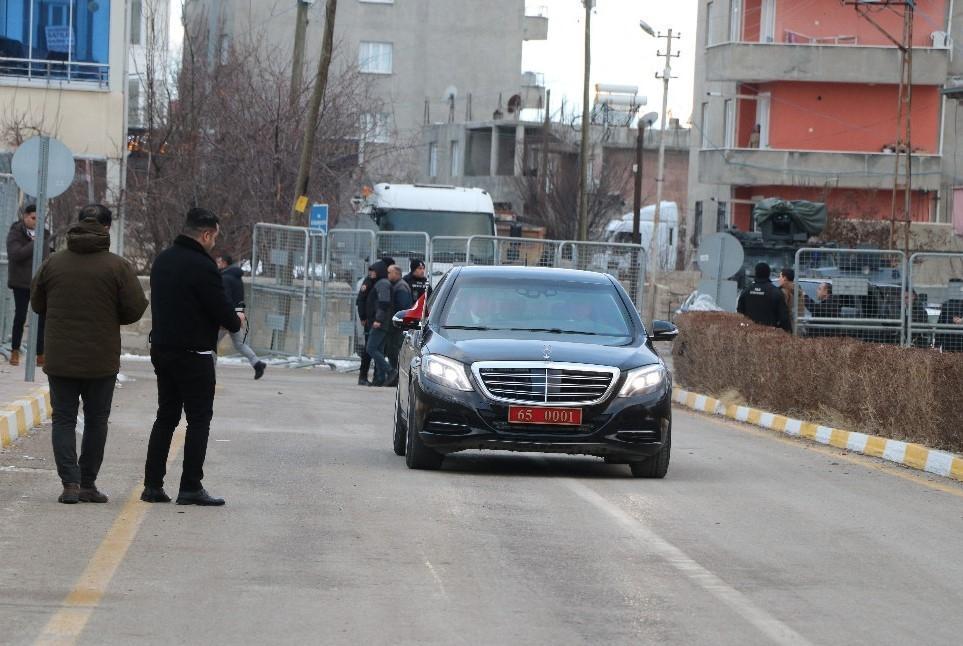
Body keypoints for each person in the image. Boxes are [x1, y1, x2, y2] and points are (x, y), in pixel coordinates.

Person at [30, 205, 148, 504]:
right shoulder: (117, 266)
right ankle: (87, 483)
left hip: (60, 359)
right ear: (107, 227)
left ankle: (69, 484)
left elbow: (37, 304)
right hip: (101, 359)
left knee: (64, 419)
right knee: (96, 421)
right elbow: (135, 308)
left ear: (78, 224)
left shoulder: (52, 263)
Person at [142, 208, 243, 507]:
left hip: (162, 348)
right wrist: (236, 319)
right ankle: (190, 486)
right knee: (199, 419)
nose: (214, 242)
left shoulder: (162, 260)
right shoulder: (203, 266)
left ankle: (152, 485)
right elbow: (222, 310)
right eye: (215, 236)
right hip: (194, 353)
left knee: (166, 416)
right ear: (207, 234)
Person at [6, 204, 51, 366]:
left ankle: (40, 353)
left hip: (40, 283)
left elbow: (46, 258)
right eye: (33, 218)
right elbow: (16, 254)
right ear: (25, 217)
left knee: (42, 318)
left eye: (39, 218)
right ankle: (15, 350)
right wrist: (35, 244)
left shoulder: (45, 234)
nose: (36, 221)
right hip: (21, 282)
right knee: (20, 316)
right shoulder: (16, 232)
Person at [215, 254, 266, 380]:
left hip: (226, 317)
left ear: (225, 263)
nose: (217, 263)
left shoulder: (225, 278)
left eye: (219, 261)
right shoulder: (237, 278)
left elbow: (225, 299)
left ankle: (209, 369)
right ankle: (257, 364)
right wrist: (240, 313)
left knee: (212, 342)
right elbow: (240, 298)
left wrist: (224, 316)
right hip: (236, 316)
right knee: (240, 344)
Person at [736, 262, 791, 332]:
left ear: (755, 273)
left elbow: (740, 312)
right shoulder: (775, 292)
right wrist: (789, 332)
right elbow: (784, 317)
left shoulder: (746, 290)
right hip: (769, 333)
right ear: (768, 274)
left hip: (749, 331)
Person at [365, 260, 393, 387]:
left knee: (371, 348)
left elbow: (384, 303)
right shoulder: (381, 283)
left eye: (373, 271)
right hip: (380, 322)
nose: (371, 273)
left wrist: (378, 320)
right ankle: (380, 378)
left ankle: (390, 371)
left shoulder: (382, 284)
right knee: (379, 350)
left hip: (380, 323)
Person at [386, 264, 414, 384]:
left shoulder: (401, 287)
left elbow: (402, 307)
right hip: (398, 325)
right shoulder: (397, 285)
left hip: (399, 326)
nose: (388, 275)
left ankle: (397, 375)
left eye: (390, 273)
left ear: (397, 274)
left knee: (395, 349)